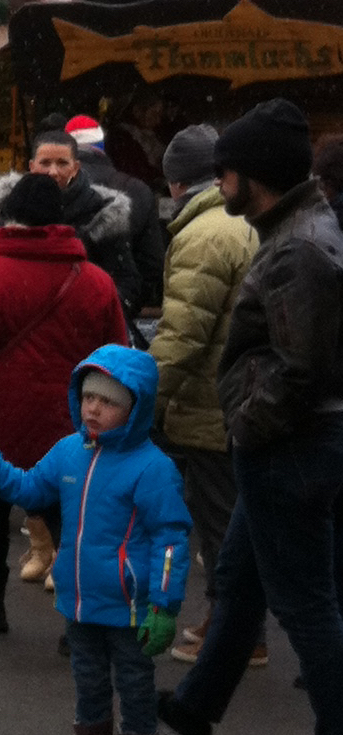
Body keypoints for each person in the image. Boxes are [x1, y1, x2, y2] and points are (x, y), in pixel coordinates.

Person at [158, 99, 343, 735]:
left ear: (250, 176)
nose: (217, 184)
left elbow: (300, 368)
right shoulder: (295, 226)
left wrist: (246, 419)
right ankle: (191, 711)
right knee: (238, 582)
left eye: (225, 172)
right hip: (285, 445)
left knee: (303, 602)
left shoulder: (297, 245)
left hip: (289, 447)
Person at [0, 349, 191, 735]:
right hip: (80, 602)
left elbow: (171, 541)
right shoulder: (68, 451)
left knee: (135, 686)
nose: (93, 408)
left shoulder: (153, 468)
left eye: (109, 401)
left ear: (136, 407)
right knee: (89, 682)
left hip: (130, 605)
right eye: (88, 396)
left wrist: (164, 605)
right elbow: (29, 489)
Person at [0, 171, 126, 634]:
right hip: (70, 422)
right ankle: (81, 620)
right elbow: (117, 354)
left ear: (8, 217)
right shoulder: (96, 281)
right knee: (72, 518)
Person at [147, 124, 257, 666]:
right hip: (238, 396)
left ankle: (234, 632)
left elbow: (183, 333)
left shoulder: (204, 234)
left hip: (212, 402)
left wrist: (145, 394)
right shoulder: (235, 224)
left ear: (174, 183)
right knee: (234, 522)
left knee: (220, 525)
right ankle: (236, 625)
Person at [0, 129, 141, 320]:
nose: (53, 172)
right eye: (45, 163)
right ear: (31, 166)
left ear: (75, 167)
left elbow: (126, 281)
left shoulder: (100, 213)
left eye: (62, 163)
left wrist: (93, 315)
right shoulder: (9, 208)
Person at [68, 114, 166, 310]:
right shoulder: (137, 190)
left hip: (64, 316)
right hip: (116, 309)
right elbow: (152, 264)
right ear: (102, 147)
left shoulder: (52, 190)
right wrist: (127, 305)